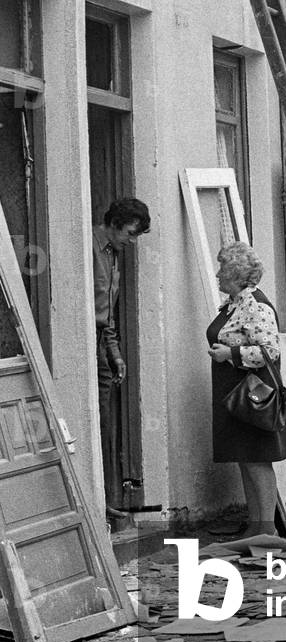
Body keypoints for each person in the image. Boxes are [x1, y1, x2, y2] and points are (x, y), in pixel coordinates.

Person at [207, 241, 286, 537]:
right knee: (247, 459)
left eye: (222, 269)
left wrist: (229, 355)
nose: (218, 275)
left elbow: (270, 351)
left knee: (257, 460)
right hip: (235, 394)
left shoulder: (255, 304)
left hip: (252, 395)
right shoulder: (235, 303)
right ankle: (255, 529)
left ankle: (267, 532)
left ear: (236, 274)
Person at [92, 197, 151, 517]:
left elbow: (108, 310)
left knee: (105, 422)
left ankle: (108, 499)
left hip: (102, 343)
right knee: (91, 421)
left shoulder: (114, 253)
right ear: (114, 224)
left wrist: (115, 353)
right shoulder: (87, 245)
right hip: (83, 341)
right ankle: (97, 503)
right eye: (130, 232)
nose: (132, 241)